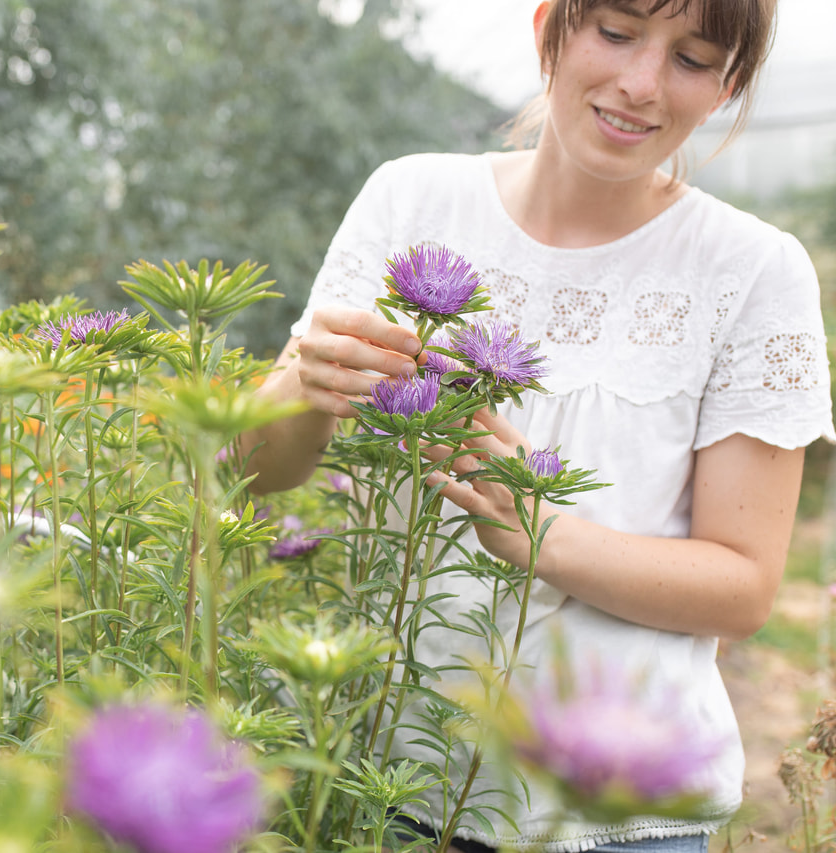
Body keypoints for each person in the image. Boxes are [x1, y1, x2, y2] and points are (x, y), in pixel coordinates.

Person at [239, 0, 835, 850]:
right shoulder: (413, 198)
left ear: (728, 86)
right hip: (376, 779)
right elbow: (253, 469)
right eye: (617, 32)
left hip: (615, 817)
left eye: (693, 59)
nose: (640, 84)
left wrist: (540, 529)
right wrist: (304, 381)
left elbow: (743, 587)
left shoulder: (753, 271)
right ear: (549, 26)